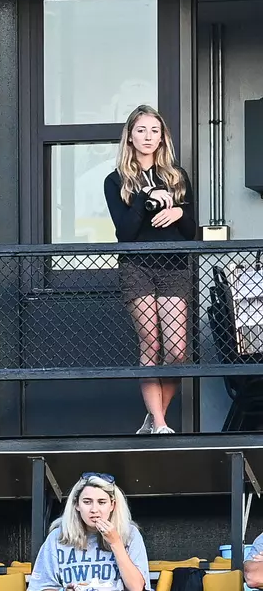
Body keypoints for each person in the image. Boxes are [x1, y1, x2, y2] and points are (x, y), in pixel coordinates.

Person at [104, 104, 198, 435]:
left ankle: (154, 414)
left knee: (177, 351)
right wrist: (145, 199)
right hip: (137, 267)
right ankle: (160, 423)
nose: (148, 136)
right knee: (151, 344)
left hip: (174, 267)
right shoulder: (116, 180)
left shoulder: (176, 176)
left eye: (154, 131)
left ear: (162, 137)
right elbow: (125, 233)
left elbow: (191, 230)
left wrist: (179, 212)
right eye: (141, 130)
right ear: (130, 136)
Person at [29, 473, 150, 591]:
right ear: (77, 505)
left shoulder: (129, 534)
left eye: (102, 502)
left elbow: (136, 588)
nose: (94, 510)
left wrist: (115, 542)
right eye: (87, 502)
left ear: (112, 505)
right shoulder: (57, 537)